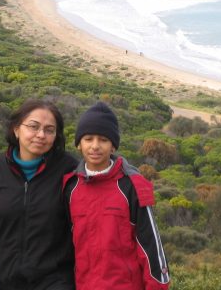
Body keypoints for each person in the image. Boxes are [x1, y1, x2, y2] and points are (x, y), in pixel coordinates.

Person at [0, 99, 78, 290]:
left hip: (57, 282)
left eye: (49, 130)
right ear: (16, 129)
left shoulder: (70, 171)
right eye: (34, 126)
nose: (41, 135)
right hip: (8, 283)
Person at [63, 102, 170, 290]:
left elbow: (150, 246)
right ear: (79, 144)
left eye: (103, 140)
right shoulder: (70, 187)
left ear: (113, 146)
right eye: (88, 139)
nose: (95, 146)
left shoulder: (132, 186)